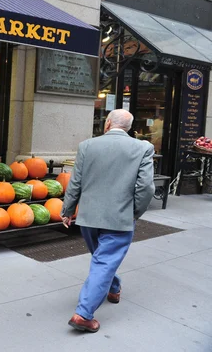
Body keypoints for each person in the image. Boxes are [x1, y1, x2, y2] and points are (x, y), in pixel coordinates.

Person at [61, 109, 155, 333]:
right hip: (119, 217)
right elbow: (146, 188)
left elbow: (75, 182)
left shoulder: (87, 146)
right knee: (104, 262)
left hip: (89, 218)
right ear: (129, 128)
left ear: (107, 124)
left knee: (102, 259)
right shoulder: (143, 148)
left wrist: (68, 210)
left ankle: (113, 287)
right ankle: (83, 314)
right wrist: (134, 213)